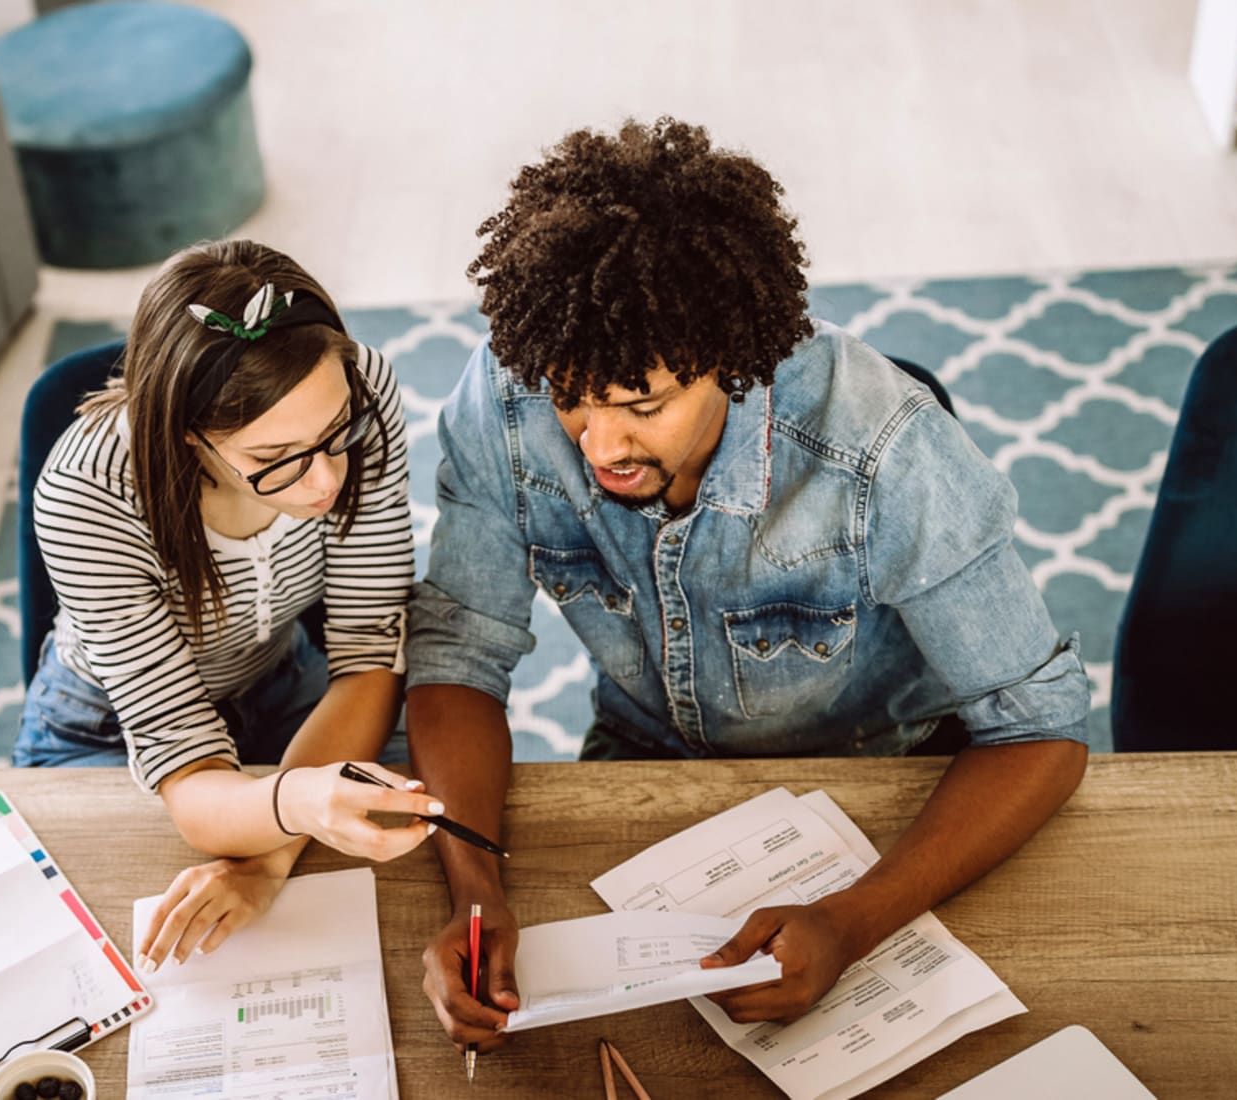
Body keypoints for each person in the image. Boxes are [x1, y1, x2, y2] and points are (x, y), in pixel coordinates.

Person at [405, 120, 1092, 1047]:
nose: (599, 446)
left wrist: (852, 922)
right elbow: (458, 655)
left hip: (878, 778)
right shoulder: (504, 396)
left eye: (642, 406)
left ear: (733, 364)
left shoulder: (883, 447)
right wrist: (478, 892)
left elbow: (1042, 731)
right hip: (638, 756)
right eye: (574, 396)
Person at [18, 240, 439, 970]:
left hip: (284, 678)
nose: (325, 481)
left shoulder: (361, 384)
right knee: (88, 951)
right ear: (188, 435)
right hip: (106, 724)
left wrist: (267, 860)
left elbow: (371, 651)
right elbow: (187, 767)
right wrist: (299, 806)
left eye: (337, 434)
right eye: (277, 459)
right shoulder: (85, 497)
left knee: (422, 871)